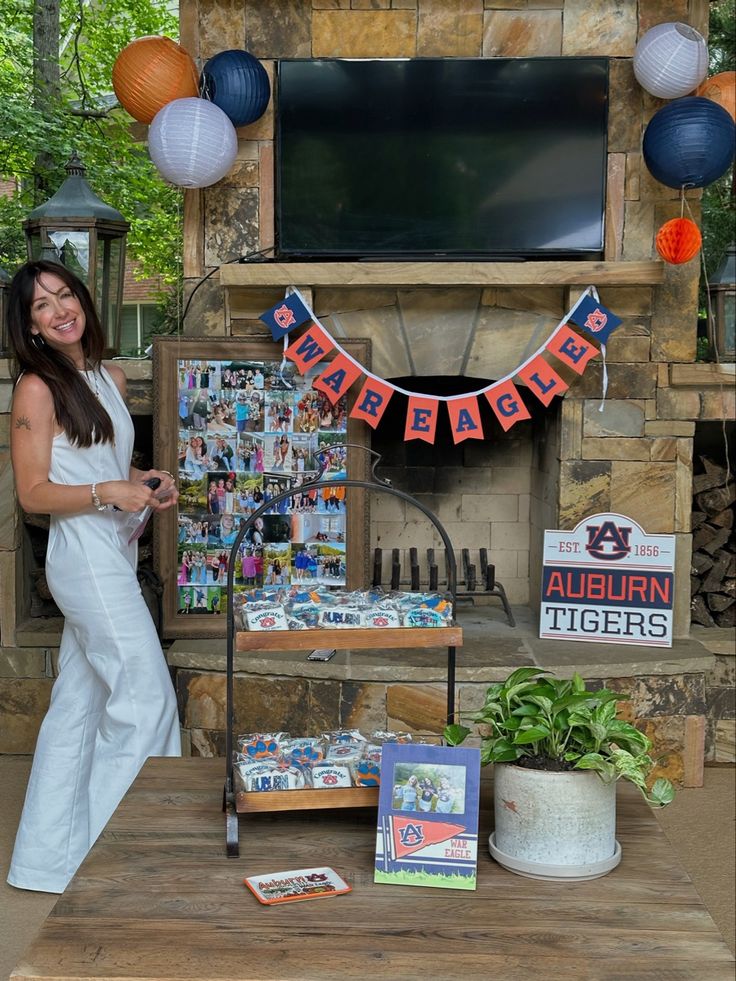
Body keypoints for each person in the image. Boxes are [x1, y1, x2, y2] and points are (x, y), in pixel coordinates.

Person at [5, 260, 181, 894]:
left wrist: (140, 482)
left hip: (116, 552)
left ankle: (49, 862)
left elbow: (103, 463)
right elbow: (33, 493)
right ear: (31, 329)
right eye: (40, 308)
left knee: (77, 708)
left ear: (82, 298)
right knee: (146, 700)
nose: (58, 309)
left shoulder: (110, 374)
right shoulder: (35, 387)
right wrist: (107, 490)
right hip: (84, 560)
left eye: (63, 294)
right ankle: (124, 859)